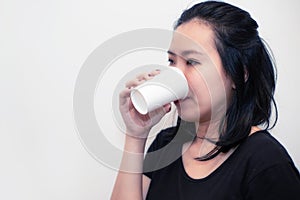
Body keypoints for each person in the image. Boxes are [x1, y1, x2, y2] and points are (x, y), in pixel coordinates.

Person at [111, 1, 300, 199]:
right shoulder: (166, 144)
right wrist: (135, 136)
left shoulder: (265, 161)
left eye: (191, 62)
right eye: (172, 61)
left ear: (239, 74)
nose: (177, 74)